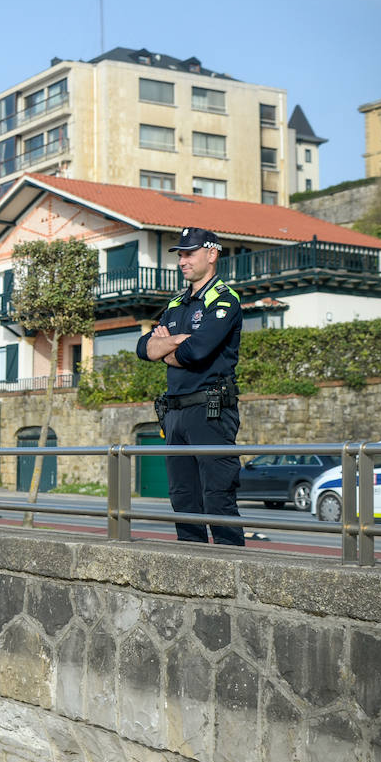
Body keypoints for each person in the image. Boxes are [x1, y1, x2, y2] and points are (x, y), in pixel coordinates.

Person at [136, 227, 244, 545]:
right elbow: (143, 348)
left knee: (217, 497)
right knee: (183, 499)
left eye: (189, 253)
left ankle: (231, 570)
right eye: (180, 254)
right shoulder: (176, 305)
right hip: (174, 411)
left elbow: (197, 352)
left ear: (211, 254)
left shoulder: (224, 300)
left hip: (210, 409)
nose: (182, 260)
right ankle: (192, 571)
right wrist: (176, 343)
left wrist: (166, 348)